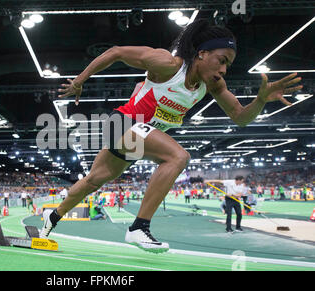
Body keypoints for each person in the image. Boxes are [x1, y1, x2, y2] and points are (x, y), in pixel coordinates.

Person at [40, 19, 302, 253]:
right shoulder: (167, 64)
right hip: (122, 123)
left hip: (137, 135)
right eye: (221, 60)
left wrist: (260, 99)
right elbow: (116, 52)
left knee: (93, 181)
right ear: (202, 53)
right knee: (178, 156)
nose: (224, 70)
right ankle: (138, 228)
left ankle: (52, 217)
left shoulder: (213, 84)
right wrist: (80, 80)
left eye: (228, 65)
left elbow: (240, 117)